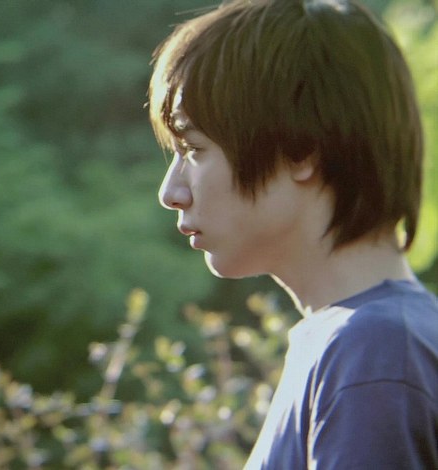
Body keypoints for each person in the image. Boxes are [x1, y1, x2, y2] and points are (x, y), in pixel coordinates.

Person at [149, 0, 437, 468]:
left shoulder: (375, 352)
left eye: (194, 149)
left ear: (301, 150)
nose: (171, 192)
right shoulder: (356, 341)